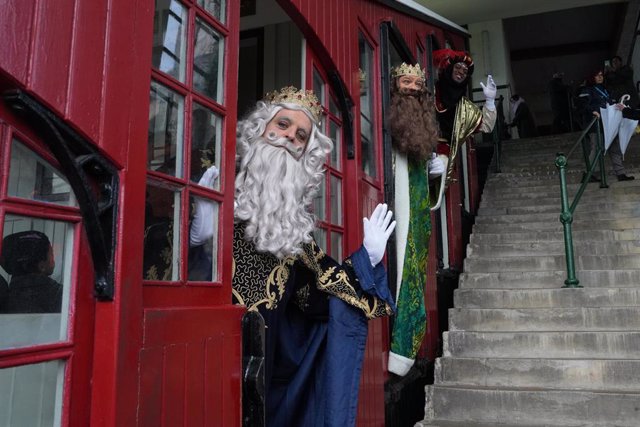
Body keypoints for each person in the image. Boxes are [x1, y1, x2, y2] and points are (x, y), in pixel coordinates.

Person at [191, 86, 397, 426]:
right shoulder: (212, 184)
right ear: (261, 128)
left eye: (300, 135)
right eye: (283, 124)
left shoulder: (291, 231)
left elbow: (318, 300)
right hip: (193, 363)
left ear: (306, 153)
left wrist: (366, 259)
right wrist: (193, 238)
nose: (289, 137)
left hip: (256, 377)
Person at [385, 63, 442, 376]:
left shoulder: (422, 127)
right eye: (406, 82)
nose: (412, 88)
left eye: (418, 84)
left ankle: (405, 347)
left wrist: (438, 168)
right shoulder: (388, 119)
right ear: (395, 85)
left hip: (417, 211)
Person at [432, 49, 497, 189]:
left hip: (442, 154)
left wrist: (490, 100)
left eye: (465, 71)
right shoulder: (431, 89)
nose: (461, 72)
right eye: (458, 67)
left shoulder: (465, 108)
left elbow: (486, 126)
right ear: (449, 68)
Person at [582, 69, 634, 181]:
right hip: (596, 124)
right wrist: (593, 111)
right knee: (595, 148)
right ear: (592, 77)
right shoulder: (588, 90)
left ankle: (620, 174)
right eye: (597, 75)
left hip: (609, 124)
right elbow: (582, 104)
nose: (600, 77)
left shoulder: (606, 90)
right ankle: (588, 174)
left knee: (614, 148)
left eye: (601, 75)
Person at [0, 231, 63, 313]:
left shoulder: (5, 297)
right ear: (42, 266)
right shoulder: (61, 296)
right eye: (52, 254)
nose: (54, 259)